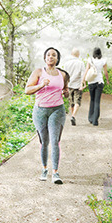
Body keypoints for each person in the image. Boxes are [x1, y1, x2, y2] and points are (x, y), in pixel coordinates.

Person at [25, 47, 68, 184]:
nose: (51, 57)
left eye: (54, 55)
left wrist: (66, 93)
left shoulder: (63, 74)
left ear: (57, 59)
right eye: (48, 55)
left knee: (55, 141)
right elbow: (27, 90)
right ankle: (44, 169)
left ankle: (55, 173)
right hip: (40, 111)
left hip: (57, 110)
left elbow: (65, 89)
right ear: (45, 58)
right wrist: (41, 85)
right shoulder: (38, 72)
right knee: (44, 142)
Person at [62, 47, 87, 125]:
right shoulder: (81, 63)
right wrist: (83, 84)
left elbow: (64, 75)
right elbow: (83, 75)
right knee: (77, 101)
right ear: (78, 54)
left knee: (71, 102)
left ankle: (73, 116)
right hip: (77, 85)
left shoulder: (66, 63)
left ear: (71, 54)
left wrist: (64, 86)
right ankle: (73, 116)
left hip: (69, 85)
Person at [85, 47, 108, 126]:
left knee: (92, 100)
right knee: (97, 101)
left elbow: (87, 70)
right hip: (99, 82)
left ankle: (90, 118)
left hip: (91, 82)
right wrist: (107, 80)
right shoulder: (103, 61)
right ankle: (95, 120)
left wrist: (84, 80)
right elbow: (105, 72)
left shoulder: (90, 60)